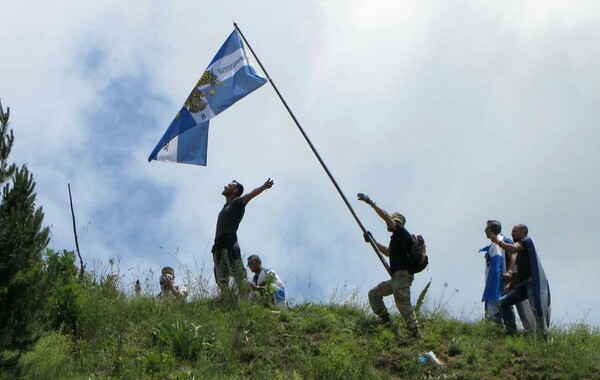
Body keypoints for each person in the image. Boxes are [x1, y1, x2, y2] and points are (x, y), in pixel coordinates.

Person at [358, 194, 421, 339]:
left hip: (402, 276)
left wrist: (371, 203)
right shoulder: (397, 240)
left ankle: (415, 334)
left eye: (390, 222)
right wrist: (372, 240)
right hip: (395, 278)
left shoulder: (400, 230)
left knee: (402, 304)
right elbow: (387, 252)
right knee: (374, 294)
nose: (387, 224)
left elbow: (386, 217)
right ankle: (386, 321)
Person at [212, 178, 274, 296]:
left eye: (229, 185)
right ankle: (226, 302)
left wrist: (264, 187)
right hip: (218, 246)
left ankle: (245, 299)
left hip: (229, 243)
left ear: (235, 190)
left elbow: (250, 195)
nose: (225, 186)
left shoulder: (237, 203)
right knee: (221, 279)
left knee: (238, 275)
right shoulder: (225, 207)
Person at [489, 224, 551, 338]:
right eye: (512, 232)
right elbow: (517, 271)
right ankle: (511, 331)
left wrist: (498, 242)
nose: (512, 234)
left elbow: (512, 248)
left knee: (537, 311)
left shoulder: (526, 242)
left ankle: (542, 339)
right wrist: (510, 284)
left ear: (523, 231)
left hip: (532, 283)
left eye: (515, 231)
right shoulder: (519, 253)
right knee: (503, 303)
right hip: (522, 285)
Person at [479, 220, 516, 325]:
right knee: (496, 305)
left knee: (504, 304)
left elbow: (513, 254)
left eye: (487, 228)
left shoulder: (504, 240)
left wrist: (509, 271)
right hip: (492, 281)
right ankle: (496, 330)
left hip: (503, 280)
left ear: (492, 230)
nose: (484, 231)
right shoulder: (492, 246)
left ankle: (511, 329)